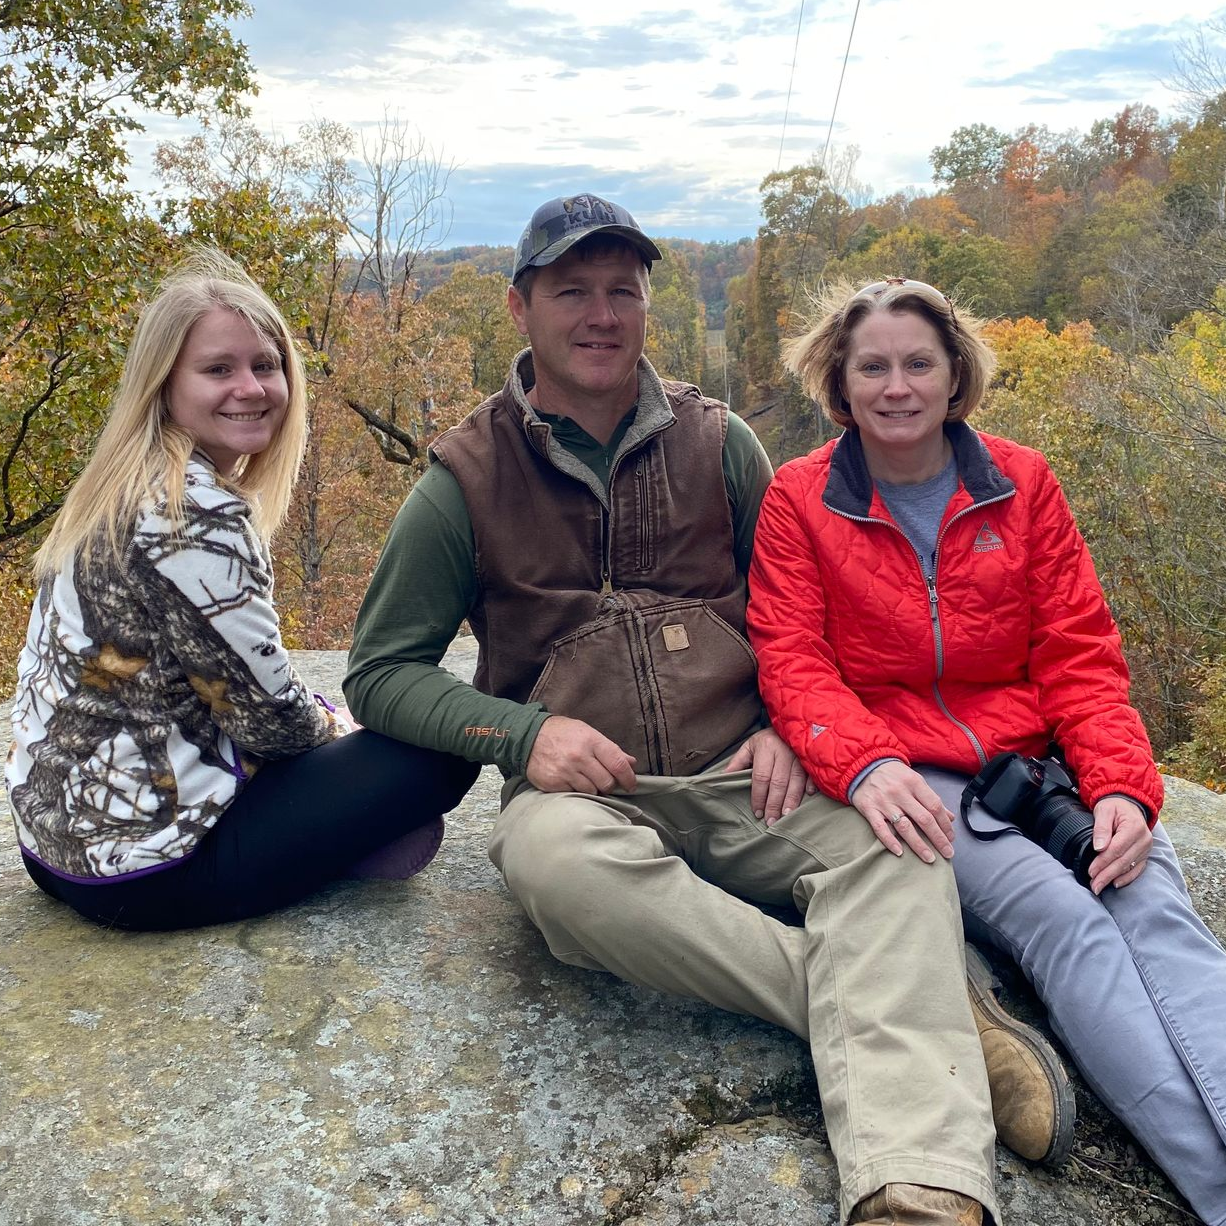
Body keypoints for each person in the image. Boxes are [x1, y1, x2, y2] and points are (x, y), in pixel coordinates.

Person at [345, 195, 1071, 1225]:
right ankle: (918, 1014)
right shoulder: (463, 477)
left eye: (622, 291)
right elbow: (377, 672)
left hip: (749, 770)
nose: (600, 314)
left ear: (647, 306)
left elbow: (800, 614)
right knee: (551, 867)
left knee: (901, 840)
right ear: (520, 308)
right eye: (571, 292)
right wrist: (522, 735)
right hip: (594, 798)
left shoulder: (719, 442)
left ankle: (919, 1186)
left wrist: (788, 723)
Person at [746, 276, 1226, 1225]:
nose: (897, 385)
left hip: (1040, 765)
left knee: (1153, 904)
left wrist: (1122, 786)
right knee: (1070, 925)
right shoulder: (800, 501)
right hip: (912, 774)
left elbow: (1081, 655)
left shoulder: (1021, 482)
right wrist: (866, 763)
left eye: (918, 362)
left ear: (955, 372)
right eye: (871, 366)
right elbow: (792, 660)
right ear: (838, 384)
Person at [5, 251, 476, 931]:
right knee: (447, 741)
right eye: (218, 369)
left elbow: (215, 684)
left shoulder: (121, 484)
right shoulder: (194, 513)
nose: (251, 388)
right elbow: (273, 723)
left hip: (53, 847)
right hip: (146, 871)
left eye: (267, 364)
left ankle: (325, 843)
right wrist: (340, 730)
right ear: (164, 384)